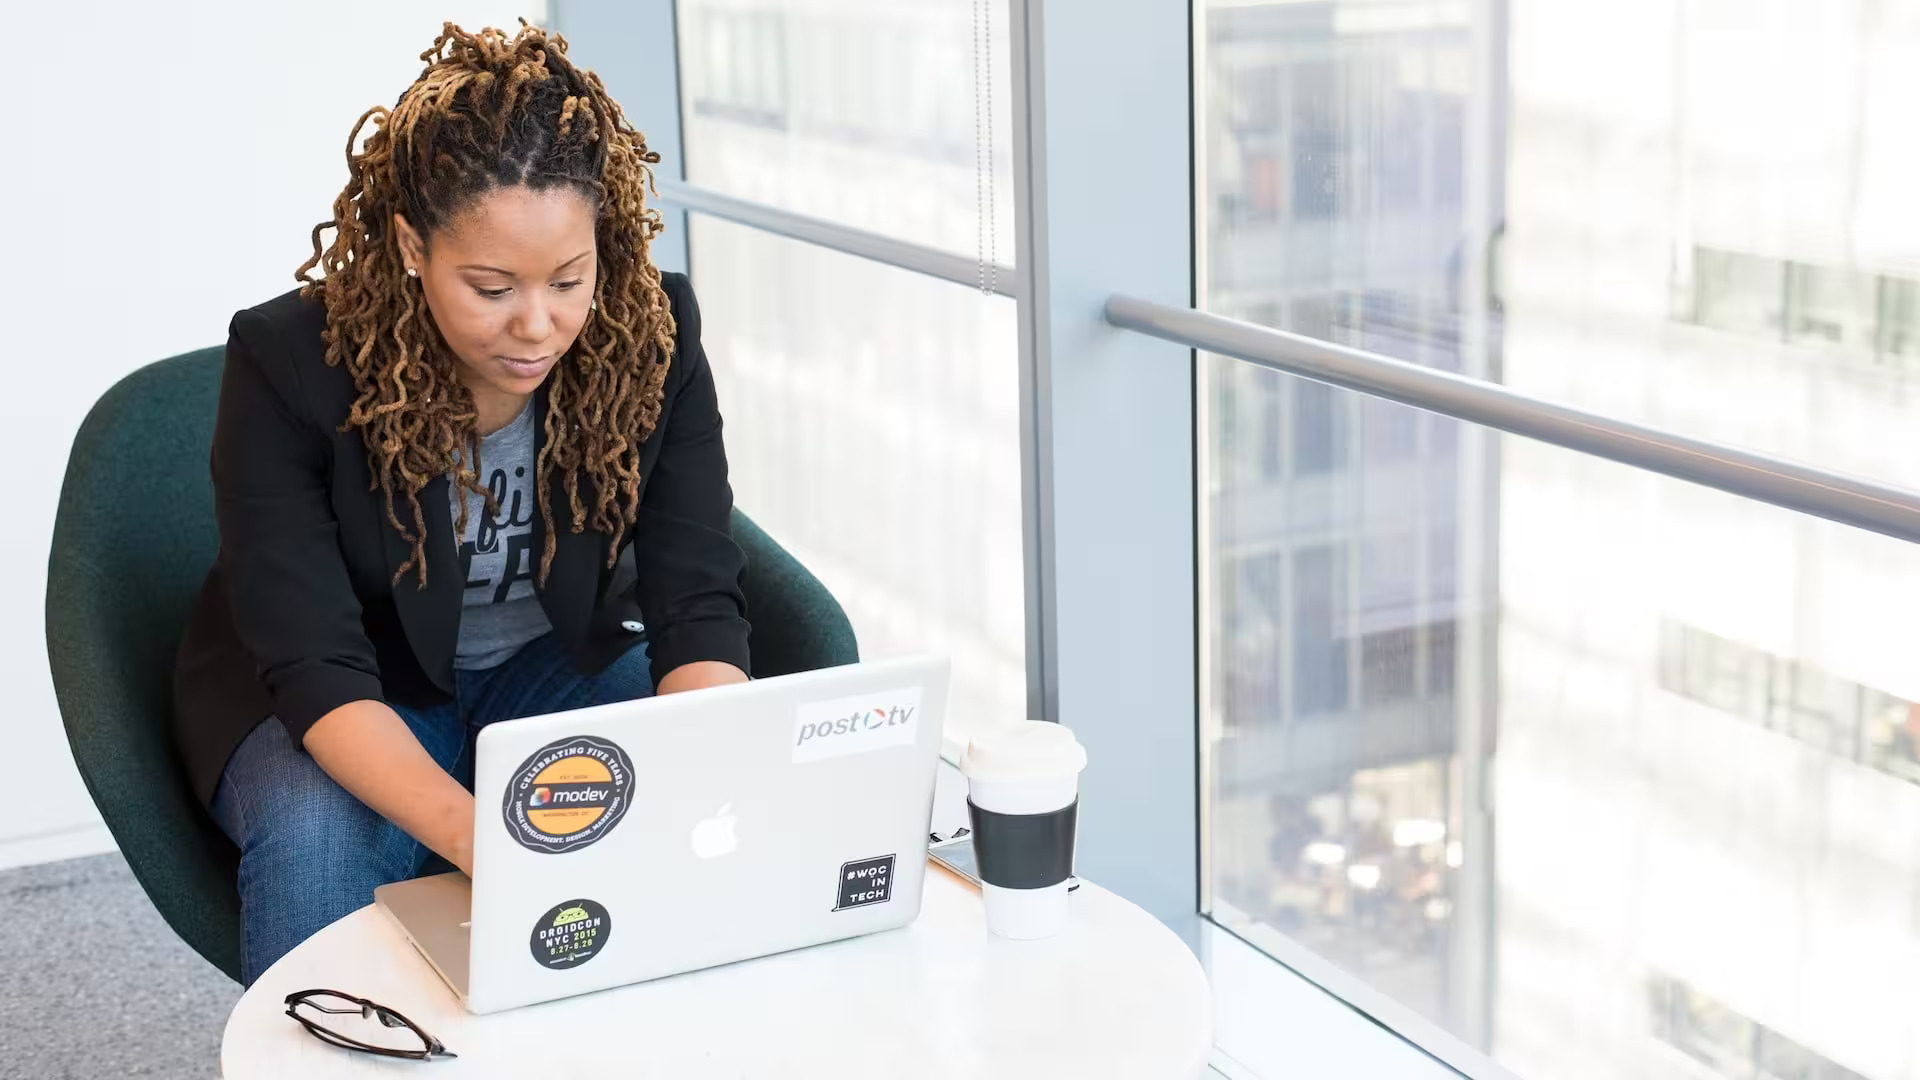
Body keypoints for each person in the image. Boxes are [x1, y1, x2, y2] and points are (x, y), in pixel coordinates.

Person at [171, 22, 750, 985]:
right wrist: (490, 838)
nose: (538, 324)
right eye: (491, 287)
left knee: (698, 821)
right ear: (411, 245)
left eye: (569, 279)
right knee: (322, 842)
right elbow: (314, 660)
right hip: (355, 687)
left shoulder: (653, 331)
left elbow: (697, 597)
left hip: (549, 665)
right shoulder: (288, 364)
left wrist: (711, 769)